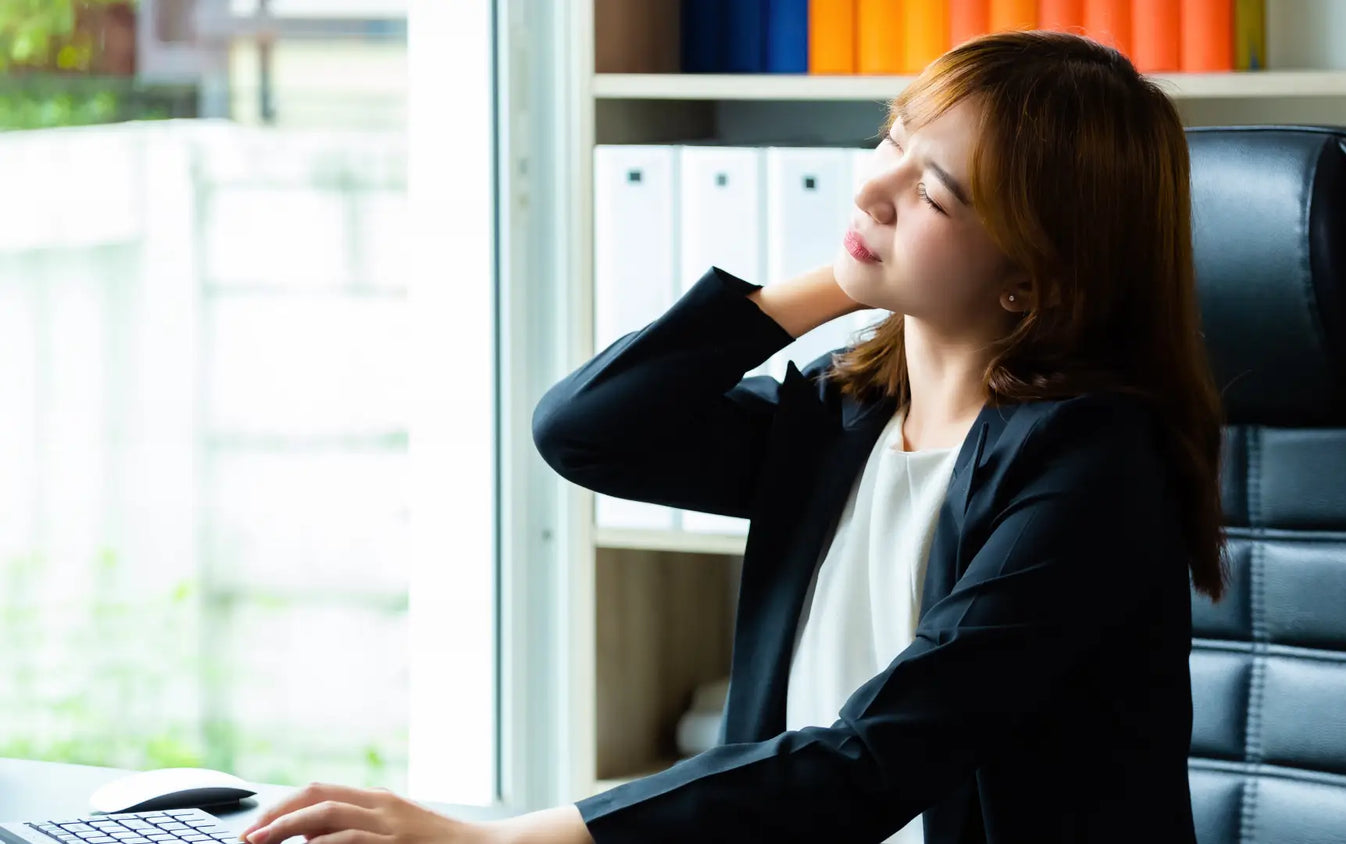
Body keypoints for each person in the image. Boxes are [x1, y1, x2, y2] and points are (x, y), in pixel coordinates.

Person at [238, 29, 1225, 844]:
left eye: (934, 193)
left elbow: (877, 757)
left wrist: (496, 839)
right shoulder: (842, 418)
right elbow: (588, 430)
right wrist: (849, 273)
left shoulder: (1094, 466)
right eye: (890, 140)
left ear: (1035, 279)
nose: (872, 188)